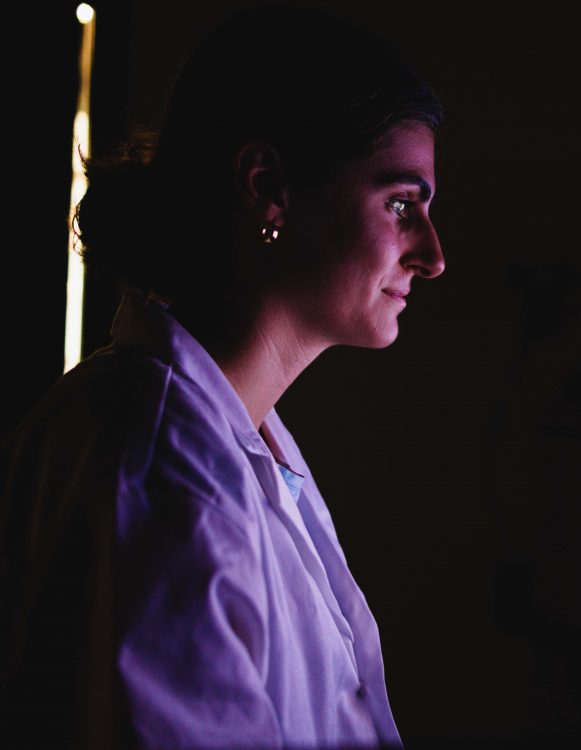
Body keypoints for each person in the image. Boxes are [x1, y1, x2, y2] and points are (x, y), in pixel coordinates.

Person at [0, 5, 443, 747]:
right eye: (401, 203)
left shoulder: (227, 445)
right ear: (267, 185)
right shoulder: (164, 473)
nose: (432, 254)